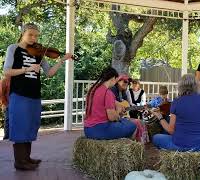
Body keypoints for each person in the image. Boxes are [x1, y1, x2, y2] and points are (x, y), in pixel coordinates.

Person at [3, 23, 73, 170]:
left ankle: (26, 158)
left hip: (34, 94)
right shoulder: (13, 48)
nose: (34, 38)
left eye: (36, 36)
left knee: (30, 126)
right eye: (30, 35)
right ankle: (20, 162)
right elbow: (7, 71)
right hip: (19, 94)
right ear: (23, 33)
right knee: (20, 126)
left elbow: (49, 73)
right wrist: (28, 68)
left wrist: (61, 60)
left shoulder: (39, 52)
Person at [152, 74, 200, 152]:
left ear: (181, 87)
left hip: (182, 145)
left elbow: (171, 130)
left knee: (156, 138)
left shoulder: (176, 102)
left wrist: (159, 116)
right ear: (198, 85)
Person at [84, 66, 137, 140]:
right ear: (113, 78)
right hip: (100, 130)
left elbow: (101, 100)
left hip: (87, 130)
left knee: (124, 121)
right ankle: (124, 148)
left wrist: (116, 103)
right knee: (133, 125)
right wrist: (118, 112)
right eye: (116, 79)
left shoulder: (93, 89)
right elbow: (112, 118)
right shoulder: (108, 93)